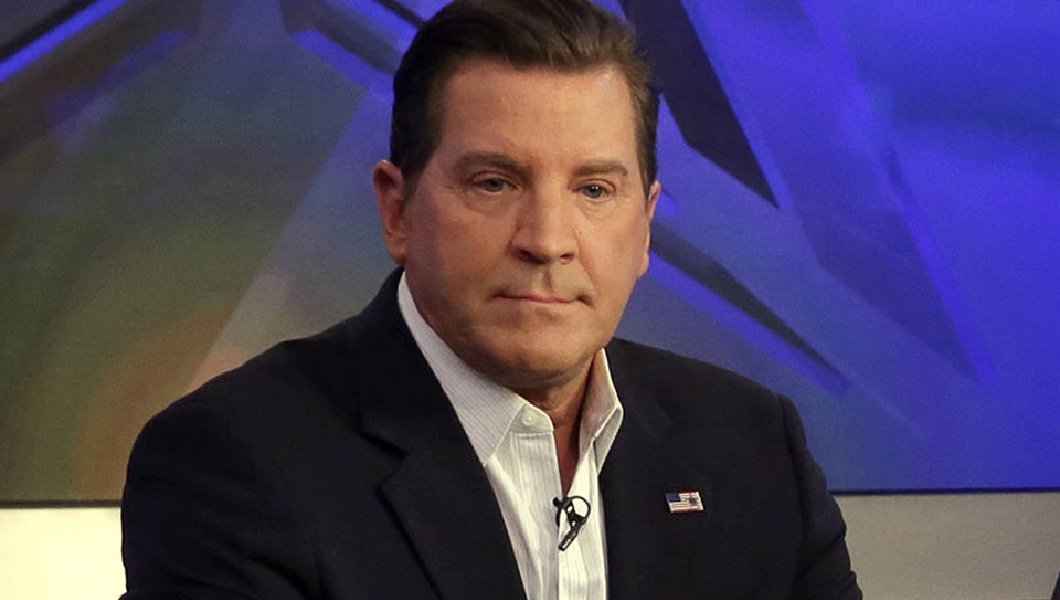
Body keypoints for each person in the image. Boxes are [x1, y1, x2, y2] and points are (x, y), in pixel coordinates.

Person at [120, 0, 861, 598]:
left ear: (645, 225)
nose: (547, 240)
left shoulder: (755, 448)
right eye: (495, 182)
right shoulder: (234, 462)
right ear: (397, 210)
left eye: (594, 190)